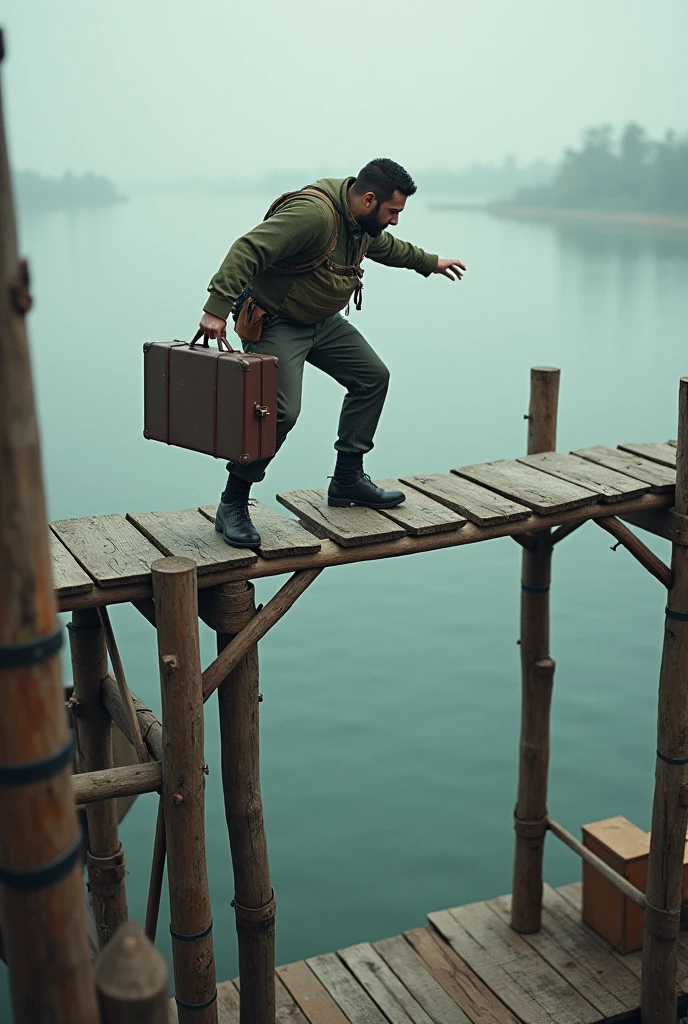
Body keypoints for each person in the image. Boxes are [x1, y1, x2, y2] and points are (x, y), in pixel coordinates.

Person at [197, 157, 466, 548]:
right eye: (393, 211)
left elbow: (385, 246)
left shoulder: (361, 222)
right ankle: (233, 502)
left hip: (321, 322)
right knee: (279, 411)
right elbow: (249, 248)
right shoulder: (314, 215)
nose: (395, 220)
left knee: (373, 377)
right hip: (276, 322)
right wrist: (215, 310)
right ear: (370, 199)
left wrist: (430, 263)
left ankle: (347, 480)